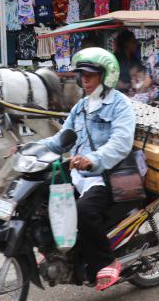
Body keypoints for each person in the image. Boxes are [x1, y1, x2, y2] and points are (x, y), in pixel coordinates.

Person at [37, 48, 135, 291]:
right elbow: (60, 139)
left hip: (107, 176)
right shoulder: (81, 107)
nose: (85, 80)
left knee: (82, 210)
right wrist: (29, 148)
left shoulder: (120, 105)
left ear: (106, 75)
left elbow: (121, 143)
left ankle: (106, 261)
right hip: (78, 175)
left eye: (91, 75)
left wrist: (93, 159)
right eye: (82, 74)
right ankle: (58, 250)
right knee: (41, 198)